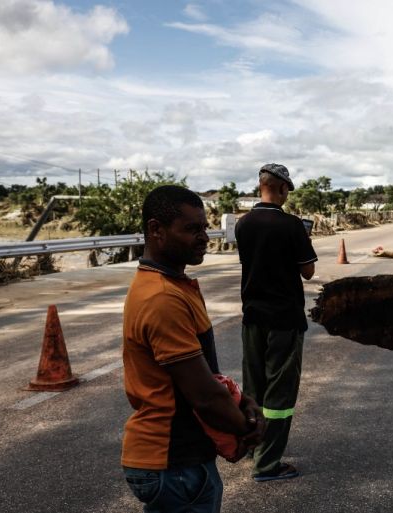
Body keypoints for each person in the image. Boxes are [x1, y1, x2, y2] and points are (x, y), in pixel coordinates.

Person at [122, 185, 265, 513]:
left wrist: (242, 401)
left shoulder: (174, 286)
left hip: (177, 464)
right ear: (156, 230)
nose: (203, 238)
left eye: (204, 228)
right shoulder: (162, 297)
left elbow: (207, 377)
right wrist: (248, 428)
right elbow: (204, 396)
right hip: (174, 463)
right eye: (191, 229)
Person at [235, 163, 318, 482]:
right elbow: (308, 271)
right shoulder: (292, 225)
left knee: (254, 388)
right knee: (280, 394)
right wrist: (302, 240)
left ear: (261, 186)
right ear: (282, 188)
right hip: (284, 318)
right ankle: (268, 464)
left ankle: (253, 446)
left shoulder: (243, 224)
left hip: (252, 317)